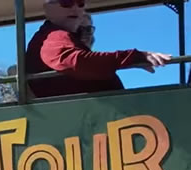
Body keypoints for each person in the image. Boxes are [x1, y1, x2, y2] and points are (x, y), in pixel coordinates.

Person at [25, 0, 171, 99]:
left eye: (80, 3)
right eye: (66, 2)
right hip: (85, 126)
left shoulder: (59, 36)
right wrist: (135, 56)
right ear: (48, 9)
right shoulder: (52, 36)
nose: (75, 8)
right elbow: (75, 61)